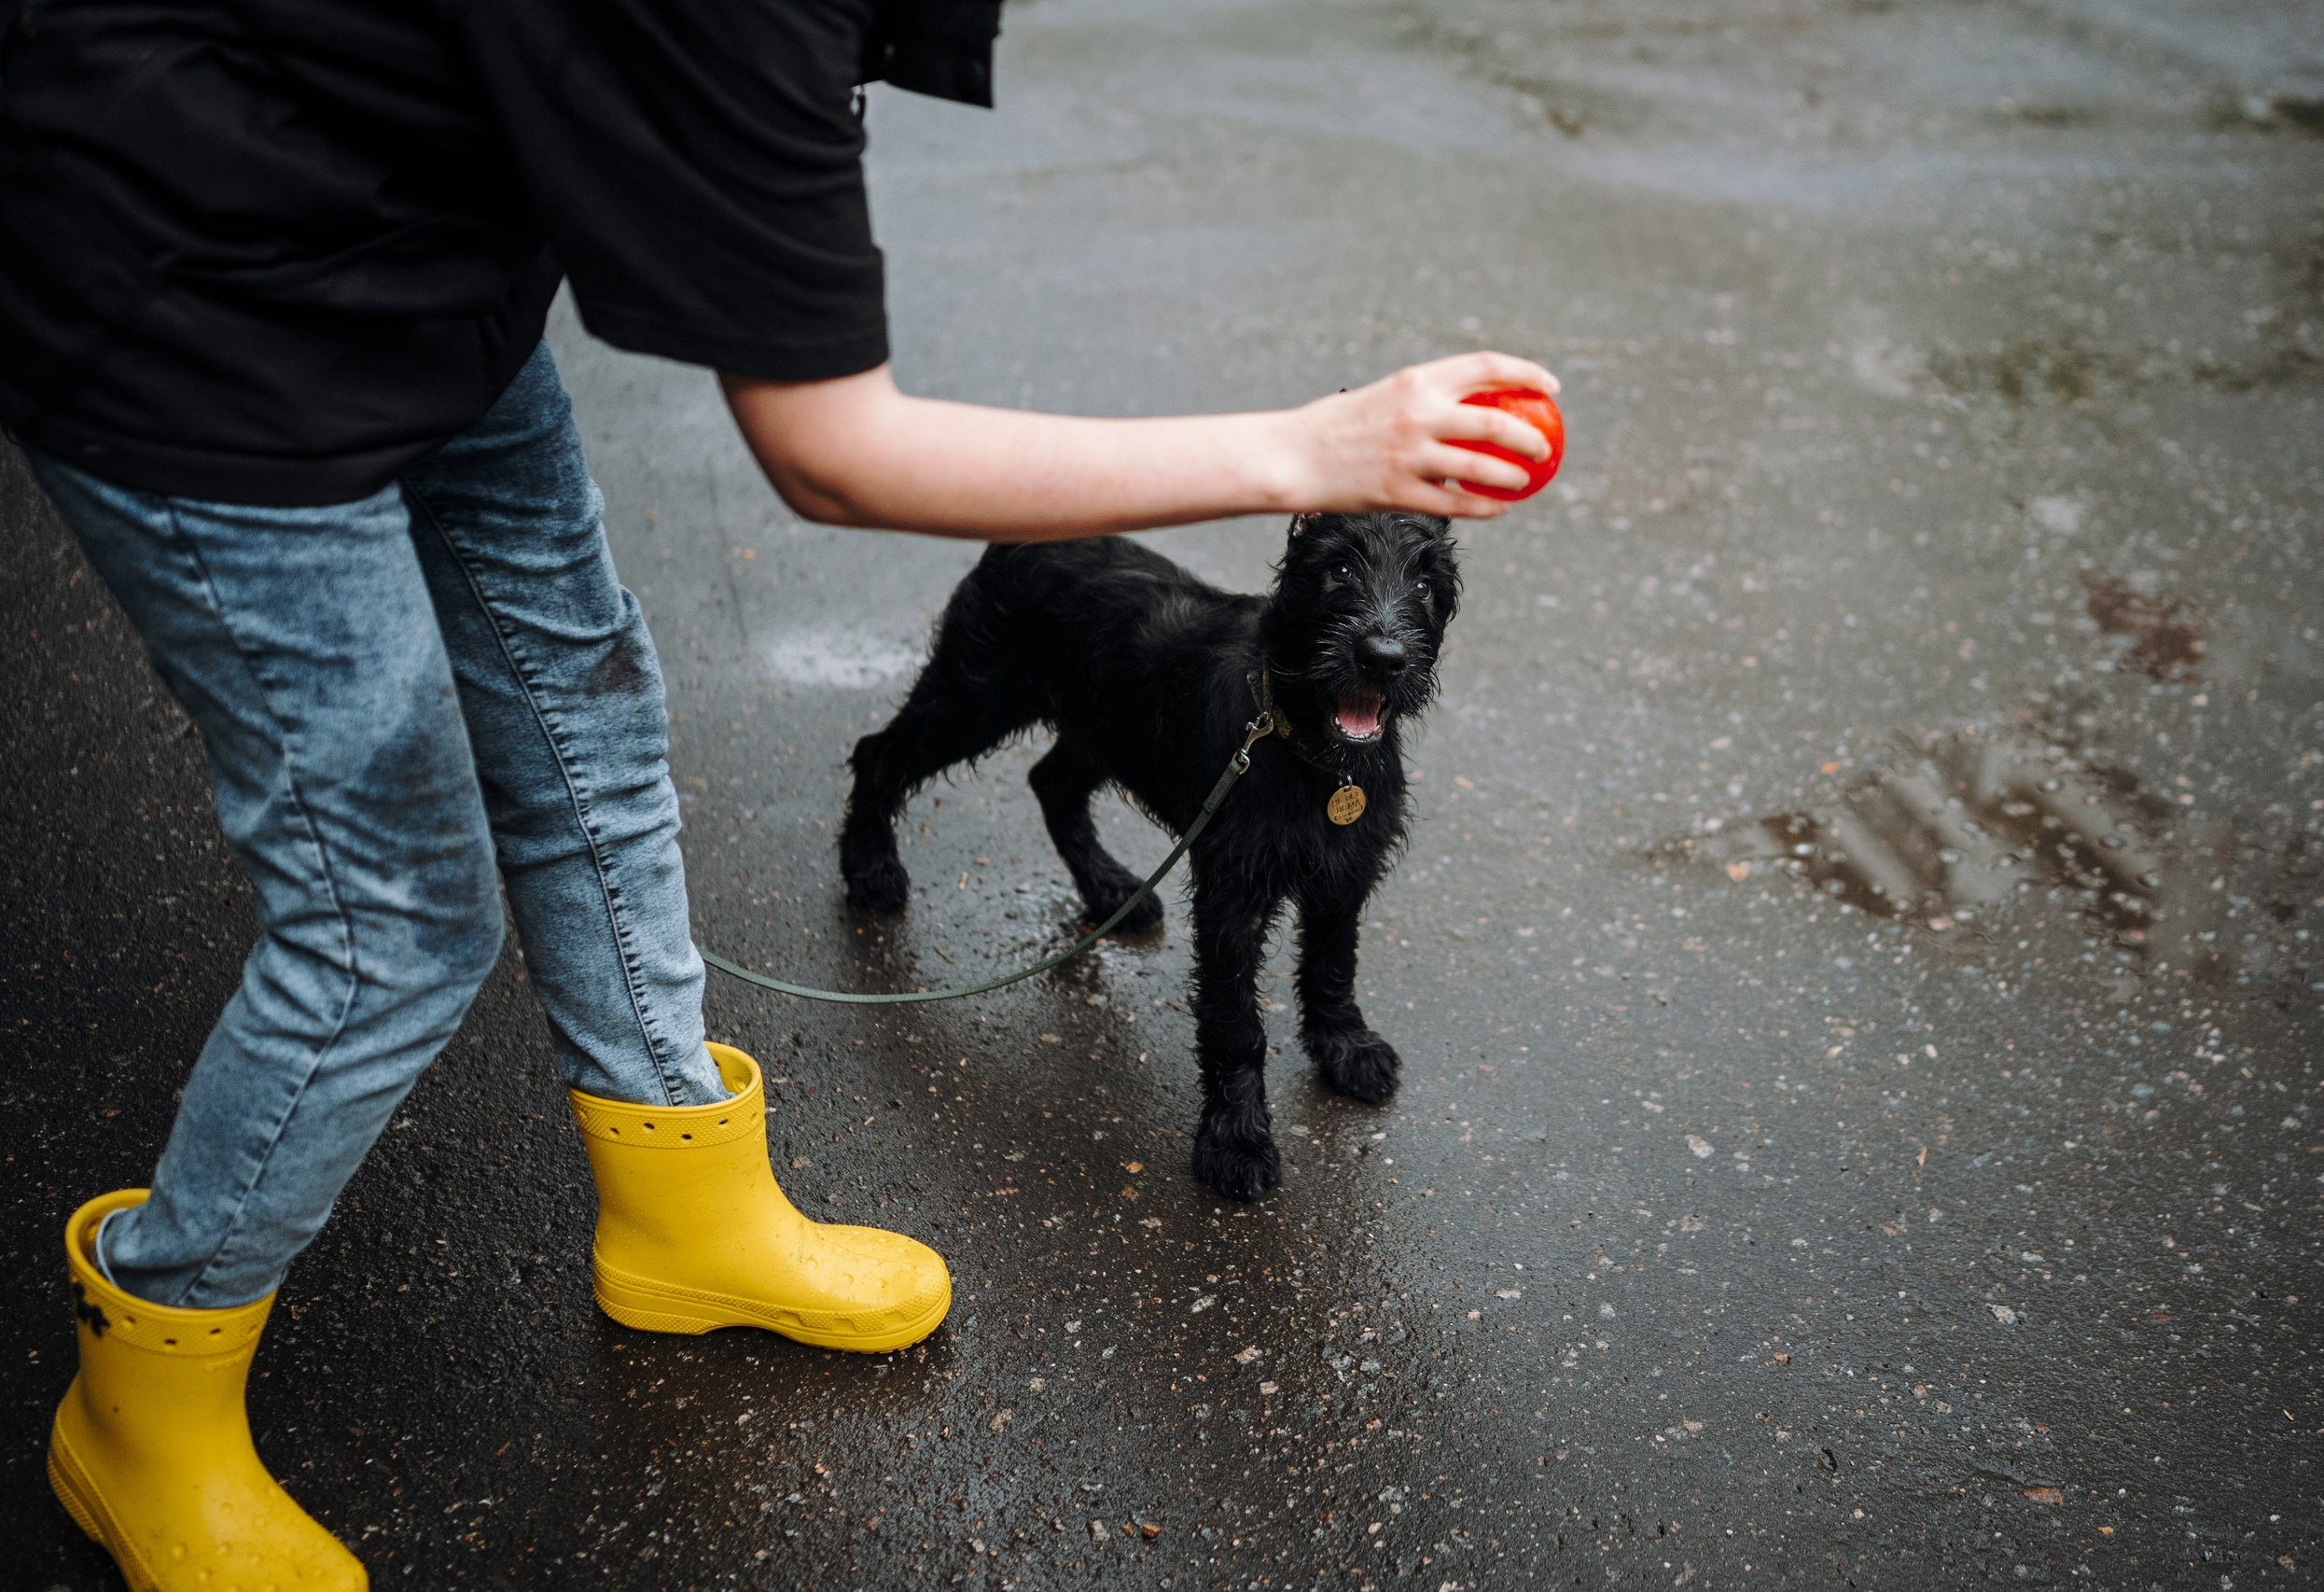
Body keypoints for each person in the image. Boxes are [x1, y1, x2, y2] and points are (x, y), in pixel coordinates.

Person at [0, 1, 1556, 1585]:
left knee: (590, 734)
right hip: (180, 297)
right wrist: (1314, 445)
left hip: (424, 270)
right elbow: (836, 452)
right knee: (388, 916)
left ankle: (679, 1209)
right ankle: (146, 1382)